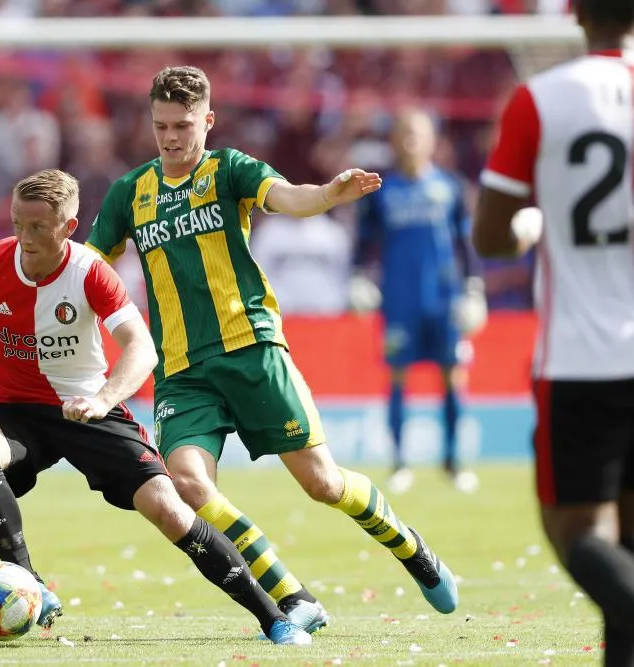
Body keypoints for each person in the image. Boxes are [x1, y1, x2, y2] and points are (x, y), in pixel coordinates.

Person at [0, 169, 313, 646]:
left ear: (68, 226)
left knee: (169, 510)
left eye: (38, 227)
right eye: (18, 224)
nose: (25, 237)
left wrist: (103, 399)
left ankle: (274, 619)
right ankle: (29, 582)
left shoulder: (89, 272)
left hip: (89, 410)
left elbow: (141, 348)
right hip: (18, 413)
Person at [86, 66, 459, 635]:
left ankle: (410, 545)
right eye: (161, 125)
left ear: (207, 121)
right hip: (182, 370)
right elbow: (91, 267)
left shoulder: (229, 169)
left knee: (324, 485)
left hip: (252, 351)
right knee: (186, 484)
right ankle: (291, 595)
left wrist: (331, 194)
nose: (171, 137)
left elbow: (288, 197)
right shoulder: (128, 194)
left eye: (183, 125)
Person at [473, 1, 634, 662]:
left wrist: (532, 225)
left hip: (580, 355)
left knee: (575, 531)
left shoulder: (540, 100)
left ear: (574, 15)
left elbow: (490, 236)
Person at [351, 108, 485, 495]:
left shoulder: (451, 187)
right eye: (404, 133)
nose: (411, 140)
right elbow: (365, 241)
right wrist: (359, 277)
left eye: (418, 133)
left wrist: (474, 288)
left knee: (453, 375)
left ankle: (454, 461)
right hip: (400, 301)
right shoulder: (382, 193)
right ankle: (399, 463)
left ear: (432, 141)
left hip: (446, 301)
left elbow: (465, 244)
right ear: (394, 141)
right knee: (397, 375)